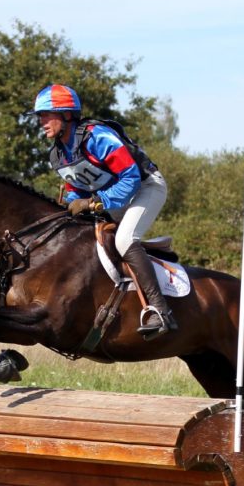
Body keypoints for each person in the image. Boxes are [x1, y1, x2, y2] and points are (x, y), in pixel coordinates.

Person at [29, 83, 178, 340]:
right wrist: (75, 206)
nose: (41, 121)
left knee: (124, 239)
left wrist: (94, 203)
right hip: (114, 197)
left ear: (66, 115)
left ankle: (160, 310)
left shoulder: (97, 137)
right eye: (40, 116)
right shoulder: (58, 155)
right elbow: (76, 190)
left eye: (46, 115)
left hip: (146, 186)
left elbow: (130, 178)